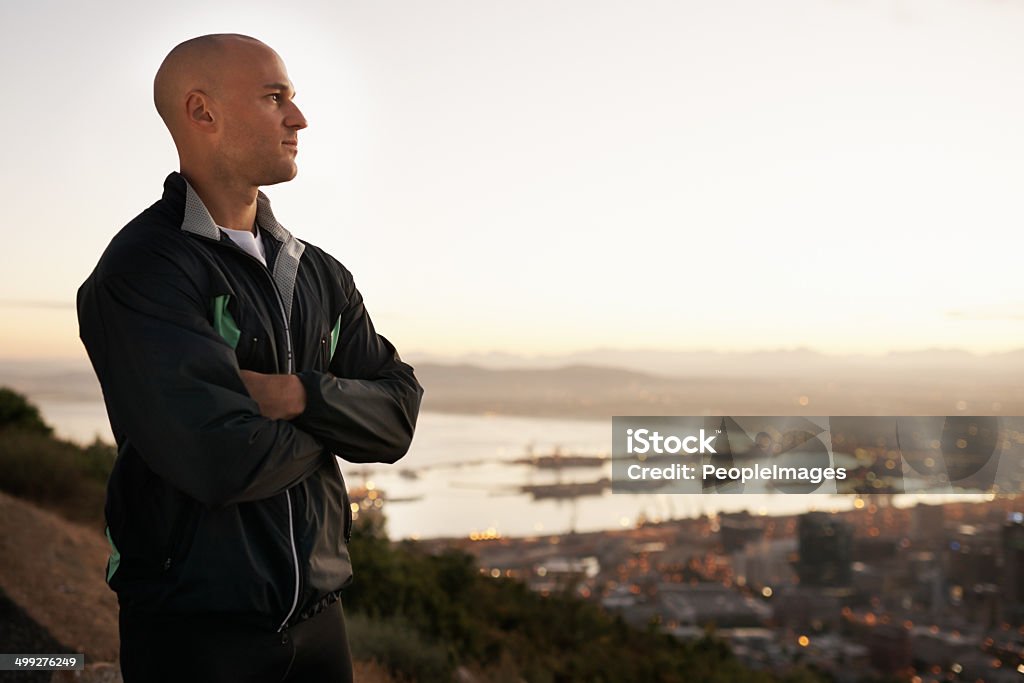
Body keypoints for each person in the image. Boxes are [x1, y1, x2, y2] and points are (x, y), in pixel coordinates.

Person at [76, 34, 424, 682]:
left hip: (322, 624)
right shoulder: (145, 270)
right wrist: (336, 428)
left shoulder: (320, 273)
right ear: (201, 112)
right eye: (275, 98)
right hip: (194, 637)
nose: (299, 118)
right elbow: (219, 460)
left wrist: (299, 396)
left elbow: (399, 415)